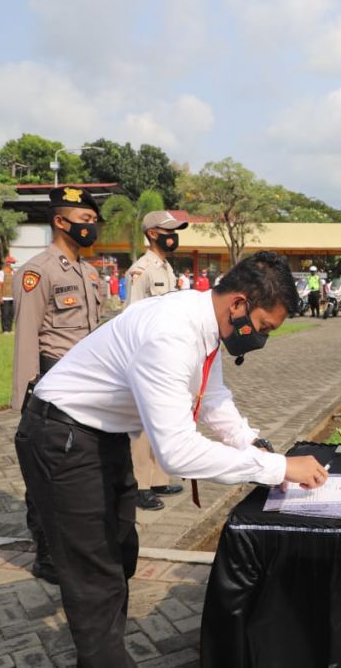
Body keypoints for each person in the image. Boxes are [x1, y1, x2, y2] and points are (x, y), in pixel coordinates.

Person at [16, 251, 327, 665]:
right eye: (263, 327)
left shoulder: (202, 323)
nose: (261, 338)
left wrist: (254, 444)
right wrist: (278, 468)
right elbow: (176, 451)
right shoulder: (171, 334)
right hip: (62, 438)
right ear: (238, 304)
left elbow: (212, 397)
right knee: (96, 576)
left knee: (120, 553)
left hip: (100, 437)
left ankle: (102, 651)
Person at [12, 186, 105, 585]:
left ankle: (81, 544)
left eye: (92, 222)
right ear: (60, 221)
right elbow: (26, 336)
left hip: (90, 384)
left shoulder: (89, 272)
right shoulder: (38, 271)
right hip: (52, 381)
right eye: (84, 221)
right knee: (46, 472)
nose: (91, 228)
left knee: (83, 467)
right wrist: (25, 397)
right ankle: (47, 552)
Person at [125, 210, 189, 510]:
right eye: (168, 231)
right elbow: (132, 316)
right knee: (140, 423)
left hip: (166, 353)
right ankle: (140, 484)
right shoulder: (141, 269)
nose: (173, 236)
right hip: (146, 355)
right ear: (152, 233)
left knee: (160, 418)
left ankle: (159, 477)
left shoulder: (165, 267)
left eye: (175, 231)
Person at [0, 257, 17, 333]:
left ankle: (10, 328)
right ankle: (5, 329)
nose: (13, 265)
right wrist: (0, 296)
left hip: (12, 296)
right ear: (8, 263)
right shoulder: (1, 273)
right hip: (5, 296)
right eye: (12, 263)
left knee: (11, 313)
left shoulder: (13, 272)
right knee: (5, 313)